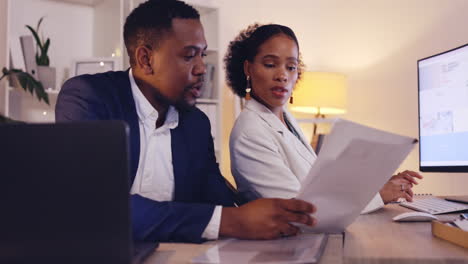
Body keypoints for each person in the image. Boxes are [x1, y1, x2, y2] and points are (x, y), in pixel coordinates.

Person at [55, 1, 317, 243]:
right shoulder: (89, 98)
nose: (203, 67)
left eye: (202, 54)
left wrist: (262, 215)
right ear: (146, 60)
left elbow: (216, 199)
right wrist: (231, 220)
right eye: (189, 55)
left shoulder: (195, 124)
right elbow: (97, 206)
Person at [226, 23, 423, 208]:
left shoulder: (286, 118)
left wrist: (377, 186)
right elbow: (299, 209)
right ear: (248, 69)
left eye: (291, 67)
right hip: (289, 242)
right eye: (270, 64)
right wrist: (378, 195)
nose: (282, 75)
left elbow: (321, 189)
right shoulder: (250, 132)